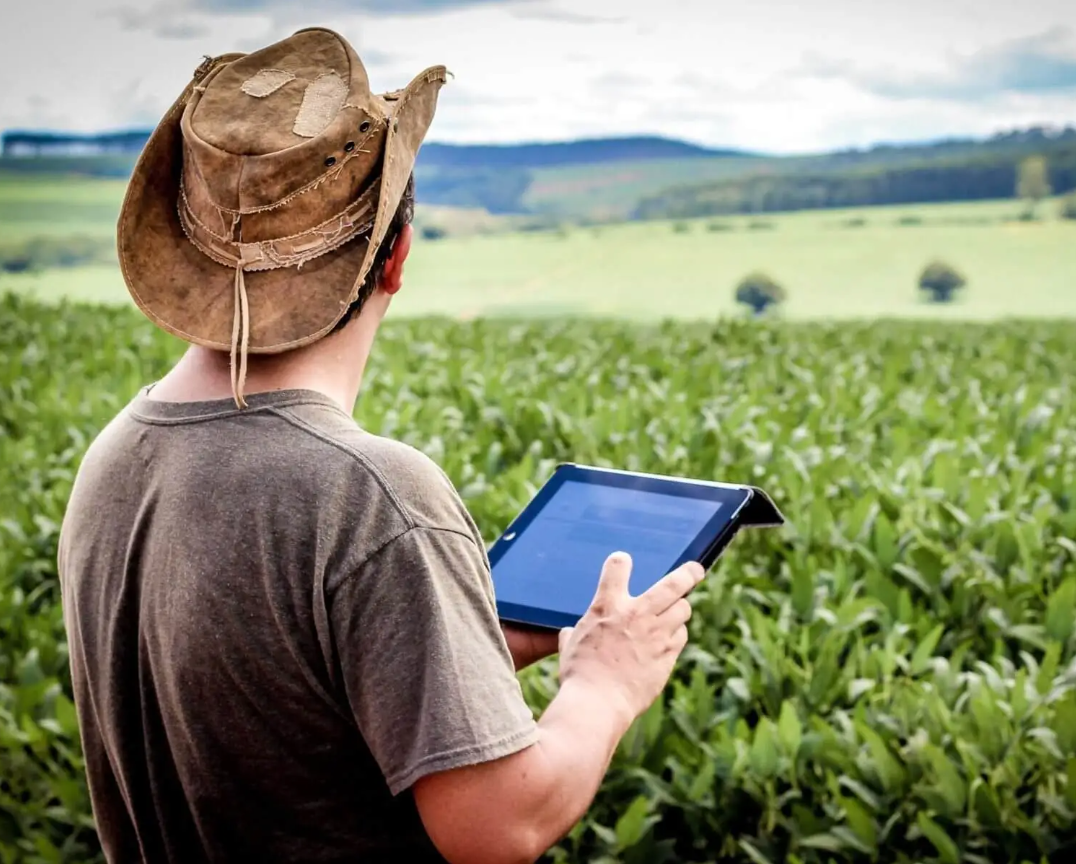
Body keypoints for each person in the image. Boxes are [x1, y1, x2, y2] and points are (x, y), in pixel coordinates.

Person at [56, 27, 704, 864]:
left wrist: (473, 644)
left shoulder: (117, 454)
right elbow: (497, 828)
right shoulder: (366, 491)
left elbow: (277, 696)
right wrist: (604, 682)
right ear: (395, 256)